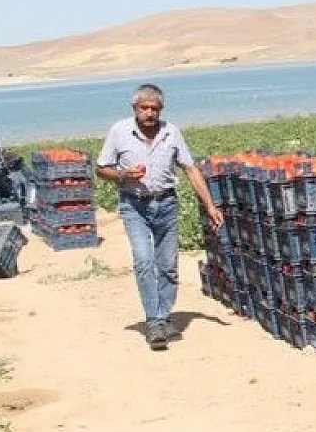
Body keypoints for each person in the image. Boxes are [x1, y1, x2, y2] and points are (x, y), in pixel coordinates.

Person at [96, 83, 223, 350]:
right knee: (144, 261)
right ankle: (154, 321)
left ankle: (164, 316)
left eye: (155, 108)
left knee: (168, 266)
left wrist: (210, 205)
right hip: (134, 206)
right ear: (135, 109)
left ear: (161, 109)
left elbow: (190, 169)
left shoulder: (171, 132)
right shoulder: (119, 132)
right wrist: (122, 175)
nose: (150, 113)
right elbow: (101, 169)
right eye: (144, 108)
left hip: (166, 204)